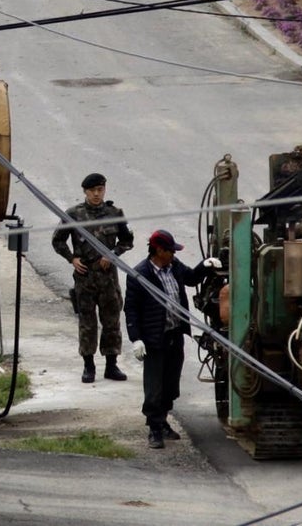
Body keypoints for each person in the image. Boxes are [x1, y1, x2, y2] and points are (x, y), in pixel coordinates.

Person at [124, 229, 219, 449]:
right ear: (158, 250)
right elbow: (131, 309)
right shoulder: (140, 275)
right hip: (155, 339)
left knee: (170, 384)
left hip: (175, 335)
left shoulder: (174, 267)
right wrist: (136, 338)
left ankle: (163, 420)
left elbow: (191, 278)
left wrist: (205, 266)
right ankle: (154, 429)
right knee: (154, 386)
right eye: (170, 251)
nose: (173, 255)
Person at [51, 173, 134, 383]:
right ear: (85, 192)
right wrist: (72, 258)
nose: (97, 194)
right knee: (87, 323)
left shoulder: (114, 213)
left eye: (100, 190)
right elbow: (58, 241)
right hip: (85, 278)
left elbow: (127, 240)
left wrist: (113, 254)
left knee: (112, 322)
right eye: (92, 191)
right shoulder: (73, 215)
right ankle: (89, 366)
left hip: (108, 278)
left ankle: (111, 365)